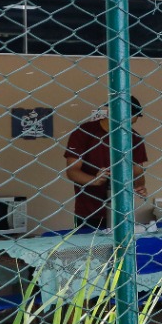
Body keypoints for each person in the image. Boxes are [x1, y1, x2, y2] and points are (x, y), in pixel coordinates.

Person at [63, 98, 149, 231]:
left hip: (122, 211)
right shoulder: (84, 132)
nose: (127, 129)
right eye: (125, 123)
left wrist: (139, 186)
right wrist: (94, 180)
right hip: (89, 212)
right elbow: (72, 171)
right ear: (114, 114)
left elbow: (137, 172)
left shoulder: (134, 138)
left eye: (131, 124)